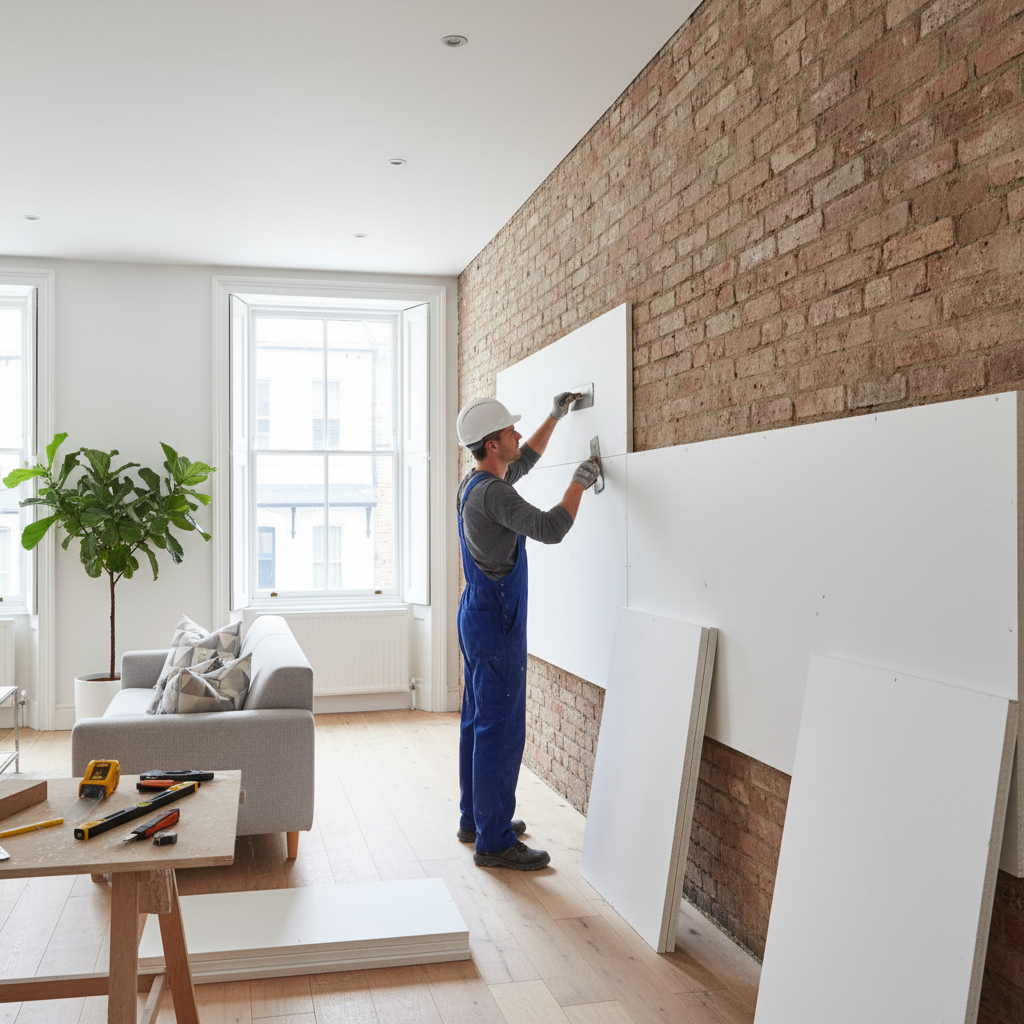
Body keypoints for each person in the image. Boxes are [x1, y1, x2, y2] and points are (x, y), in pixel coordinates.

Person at [455, 392, 601, 870]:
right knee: (501, 727)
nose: (519, 435)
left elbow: (525, 460)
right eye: (511, 431)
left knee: (479, 720)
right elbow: (551, 527)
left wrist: (554, 418)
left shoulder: (476, 484)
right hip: (497, 620)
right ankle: (494, 842)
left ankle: (476, 819)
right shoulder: (495, 494)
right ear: (493, 443)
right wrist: (580, 483)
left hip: (477, 613)